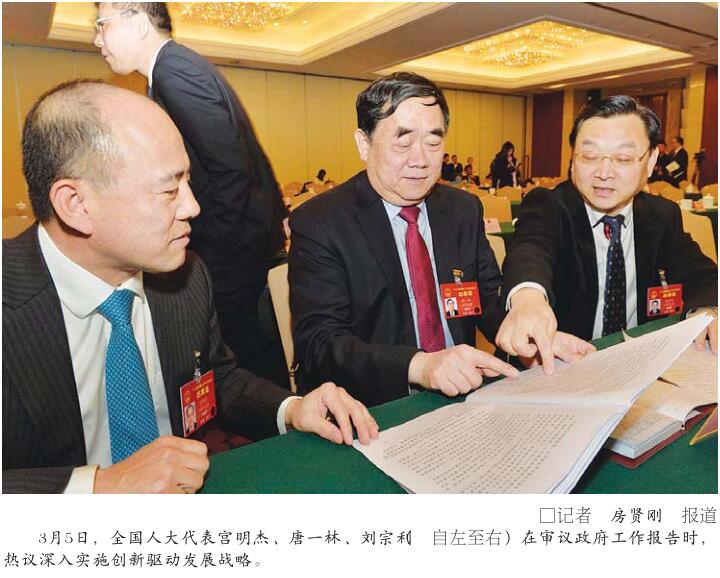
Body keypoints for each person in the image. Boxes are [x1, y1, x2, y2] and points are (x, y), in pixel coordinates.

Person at [2, 80, 378, 494]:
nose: (192, 207)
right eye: (169, 190)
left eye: (188, 182)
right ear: (76, 204)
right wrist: (99, 487)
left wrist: (292, 409)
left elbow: (216, 380)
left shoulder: (185, 276)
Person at [288, 72, 592, 407]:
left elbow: (486, 297)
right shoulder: (321, 222)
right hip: (373, 404)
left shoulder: (462, 210)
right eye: (403, 142)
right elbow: (320, 343)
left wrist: (530, 338)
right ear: (364, 143)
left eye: (433, 143)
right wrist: (420, 366)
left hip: (463, 392)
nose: (420, 160)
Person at [94, 3, 289, 386]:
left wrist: (210, 255)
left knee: (245, 365)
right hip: (238, 244)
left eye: (102, 25)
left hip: (232, 250)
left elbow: (230, 171)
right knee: (248, 359)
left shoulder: (174, 71)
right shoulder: (172, 68)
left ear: (138, 22)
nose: (97, 39)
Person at [497, 95, 717, 373]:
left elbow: (704, 276)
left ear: (650, 161)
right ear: (573, 158)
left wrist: (707, 311)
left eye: (623, 158)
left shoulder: (662, 216)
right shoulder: (548, 205)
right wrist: (528, 298)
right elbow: (530, 249)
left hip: (638, 364)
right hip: (562, 367)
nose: (603, 173)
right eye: (589, 156)